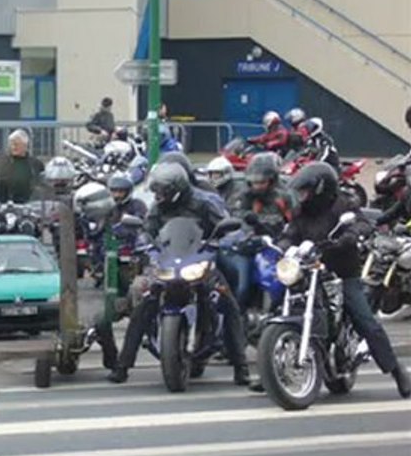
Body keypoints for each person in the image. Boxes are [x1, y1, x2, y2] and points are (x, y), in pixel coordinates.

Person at [271, 162, 410, 398]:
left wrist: (350, 236)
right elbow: (289, 234)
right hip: (310, 270)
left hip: (343, 273)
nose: (302, 196)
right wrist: (282, 246)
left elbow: (361, 223)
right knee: (278, 302)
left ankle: (398, 372)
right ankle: (272, 369)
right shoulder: (301, 212)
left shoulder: (343, 204)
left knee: (366, 320)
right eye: (300, 191)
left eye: (306, 191)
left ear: (321, 188)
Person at [107, 162, 250, 385]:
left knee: (227, 301)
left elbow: (227, 226)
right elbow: (146, 230)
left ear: (176, 189)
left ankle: (241, 366)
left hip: (199, 261)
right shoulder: (157, 207)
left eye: (162, 191)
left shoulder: (204, 203)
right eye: (156, 191)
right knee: (144, 304)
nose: (157, 195)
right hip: (167, 262)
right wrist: (143, 242)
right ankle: (122, 366)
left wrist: (224, 239)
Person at [218, 152, 293, 310]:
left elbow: (290, 221)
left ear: (272, 180)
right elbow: (235, 214)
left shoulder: (283, 196)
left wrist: (263, 223)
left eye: (261, 182)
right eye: (253, 182)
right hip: (246, 245)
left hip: (273, 245)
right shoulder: (244, 195)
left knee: (278, 279)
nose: (257, 186)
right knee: (240, 285)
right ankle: (235, 315)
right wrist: (247, 221)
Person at [90, 173, 150, 370]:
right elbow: (95, 233)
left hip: (133, 263)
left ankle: (153, 335)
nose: (117, 195)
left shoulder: (137, 207)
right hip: (108, 266)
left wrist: (124, 230)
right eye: (114, 190)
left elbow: (141, 228)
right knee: (99, 316)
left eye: (120, 191)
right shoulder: (104, 208)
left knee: (139, 295)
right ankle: (111, 357)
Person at [0, 129, 44, 203]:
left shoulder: (36, 164)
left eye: (16, 144)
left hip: (31, 203)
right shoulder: (3, 162)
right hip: (8, 203)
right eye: (11, 144)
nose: (13, 147)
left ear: (25, 145)